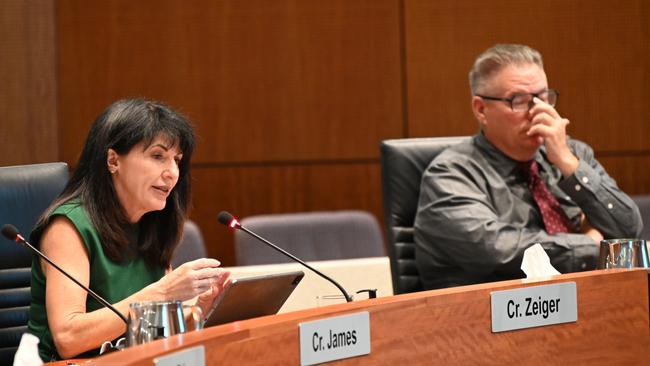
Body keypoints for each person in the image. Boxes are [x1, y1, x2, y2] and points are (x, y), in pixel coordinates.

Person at [413, 44, 643, 290]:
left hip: (583, 309)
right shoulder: (450, 174)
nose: (538, 112)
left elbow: (629, 230)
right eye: (519, 101)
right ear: (481, 109)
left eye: (543, 97)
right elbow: (500, 248)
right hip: (488, 318)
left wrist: (567, 163)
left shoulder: (572, 154)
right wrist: (594, 246)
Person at [27, 99, 230, 361]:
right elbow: (68, 338)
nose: (172, 173)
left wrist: (199, 311)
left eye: (176, 160)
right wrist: (163, 292)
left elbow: (154, 333)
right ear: (113, 161)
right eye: (158, 156)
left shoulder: (153, 223)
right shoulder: (68, 227)